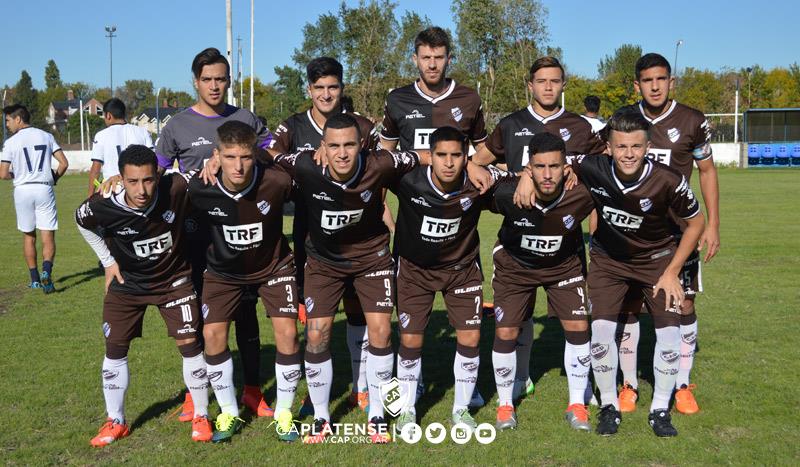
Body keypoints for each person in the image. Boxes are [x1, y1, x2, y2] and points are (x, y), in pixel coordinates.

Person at [517, 107, 705, 437]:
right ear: (609, 147)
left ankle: (660, 409)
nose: (628, 154)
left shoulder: (668, 180)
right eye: (621, 146)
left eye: (635, 146)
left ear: (648, 147)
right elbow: (548, 162)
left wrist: (673, 271)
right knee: (602, 336)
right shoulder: (592, 166)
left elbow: (696, 223)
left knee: (670, 336)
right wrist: (524, 176)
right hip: (608, 261)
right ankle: (608, 406)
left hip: (658, 261)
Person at [475, 56, 605, 401]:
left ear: (564, 85)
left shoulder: (580, 126)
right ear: (530, 85)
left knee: (577, 322)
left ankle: (582, 385)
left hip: (563, 240)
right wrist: (516, 176)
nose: (548, 87)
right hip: (520, 235)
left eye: (555, 81)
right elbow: (477, 164)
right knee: (520, 315)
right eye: (542, 81)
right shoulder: (511, 124)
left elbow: (604, 165)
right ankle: (520, 376)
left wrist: (577, 169)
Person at [154, 47, 274, 420]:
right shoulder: (177, 125)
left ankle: (253, 389)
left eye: (221, 78)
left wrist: (227, 158)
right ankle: (197, 391)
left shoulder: (245, 119)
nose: (214, 85)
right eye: (207, 79)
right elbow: (157, 173)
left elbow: (272, 156)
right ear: (195, 82)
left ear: (229, 81)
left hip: (241, 235)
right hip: (195, 235)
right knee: (197, 317)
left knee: (246, 312)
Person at [380, 26, 489, 407]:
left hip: (456, 205)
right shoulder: (397, 99)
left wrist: (476, 165)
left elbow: (483, 151)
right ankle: (416, 385)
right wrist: (383, 208)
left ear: (448, 59)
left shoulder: (469, 98)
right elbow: (385, 158)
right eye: (425, 57)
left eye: (438, 57)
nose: (432, 63)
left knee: (466, 326)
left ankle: (467, 388)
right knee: (411, 322)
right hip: (413, 206)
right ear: (415, 59)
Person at [76, 146, 210, 446]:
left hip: (173, 281)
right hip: (127, 284)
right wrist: (108, 262)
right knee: (115, 349)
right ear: (120, 178)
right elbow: (80, 221)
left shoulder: (175, 186)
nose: (142, 189)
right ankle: (116, 421)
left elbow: (208, 176)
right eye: (133, 181)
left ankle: (201, 415)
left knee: (190, 343)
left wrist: (213, 161)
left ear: (158, 175)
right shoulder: (103, 204)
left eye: (148, 180)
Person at [268, 57, 377, 413]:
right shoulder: (294, 126)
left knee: (358, 309)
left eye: (333, 87)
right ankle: (314, 394)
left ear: (342, 88)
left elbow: (380, 168)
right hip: (311, 234)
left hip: (361, 233)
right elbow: (269, 155)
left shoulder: (362, 126)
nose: (326, 94)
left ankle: (361, 387)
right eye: (319, 88)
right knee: (313, 318)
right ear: (309, 90)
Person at [614, 53, 720, 415]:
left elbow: (706, 171)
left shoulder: (692, 120)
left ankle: (682, 385)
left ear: (671, 81)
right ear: (637, 85)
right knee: (629, 306)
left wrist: (713, 225)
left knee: (684, 304)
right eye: (647, 80)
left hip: (678, 234)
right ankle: (628, 385)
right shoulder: (624, 120)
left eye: (661, 79)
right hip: (631, 233)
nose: (655, 86)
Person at [188, 121, 301, 442]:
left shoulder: (277, 182)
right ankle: (228, 412)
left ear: (256, 155)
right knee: (212, 336)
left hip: (274, 266)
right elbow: (156, 185)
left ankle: (285, 413)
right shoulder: (199, 187)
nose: (238, 166)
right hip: (224, 273)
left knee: (289, 334)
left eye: (246, 157)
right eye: (230, 156)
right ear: (216, 155)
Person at [390, 127, 506, 432]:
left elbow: (517, 178)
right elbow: (376, 161)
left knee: (470, 338)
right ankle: (407, 409)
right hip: (415, 272)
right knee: (410, 340)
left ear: (465, 155)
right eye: (442, 155)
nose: (449, 162)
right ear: (430, 156)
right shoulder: (407, 180)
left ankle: (461, 409)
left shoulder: (478, 182)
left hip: (462, 270)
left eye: (457, 155)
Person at [489, 132, 594, 432]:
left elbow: (615, 167)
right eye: (539, 167)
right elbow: (473, 183)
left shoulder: (582, 192)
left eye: (554, 166)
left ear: (566, 167)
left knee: (578, 326)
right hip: (515, 266)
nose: (547, 175)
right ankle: (506, 404)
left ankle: (577, 404)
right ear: (529, 168)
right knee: (506, 330)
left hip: (563, 266)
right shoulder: (507, 193)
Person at [1, 104, 69, 294]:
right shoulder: (46, 136)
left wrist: (19, 175)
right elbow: (64, 163)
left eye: (8, 120)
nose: (7, 125)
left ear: (18, 119)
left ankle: (35, 280)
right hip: (44, 188)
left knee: (29, 236)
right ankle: (46, 271)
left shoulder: (11, 142)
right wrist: (53, 178)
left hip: (22, 191)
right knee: (47, 236)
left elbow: (3, 173)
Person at [87, 98, 153, 197]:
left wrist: (90, 197)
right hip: (137, 188)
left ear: (108, 115)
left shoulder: (101, 135)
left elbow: (96, 169)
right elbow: (153, 160)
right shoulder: (142, 132)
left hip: (112, 189)